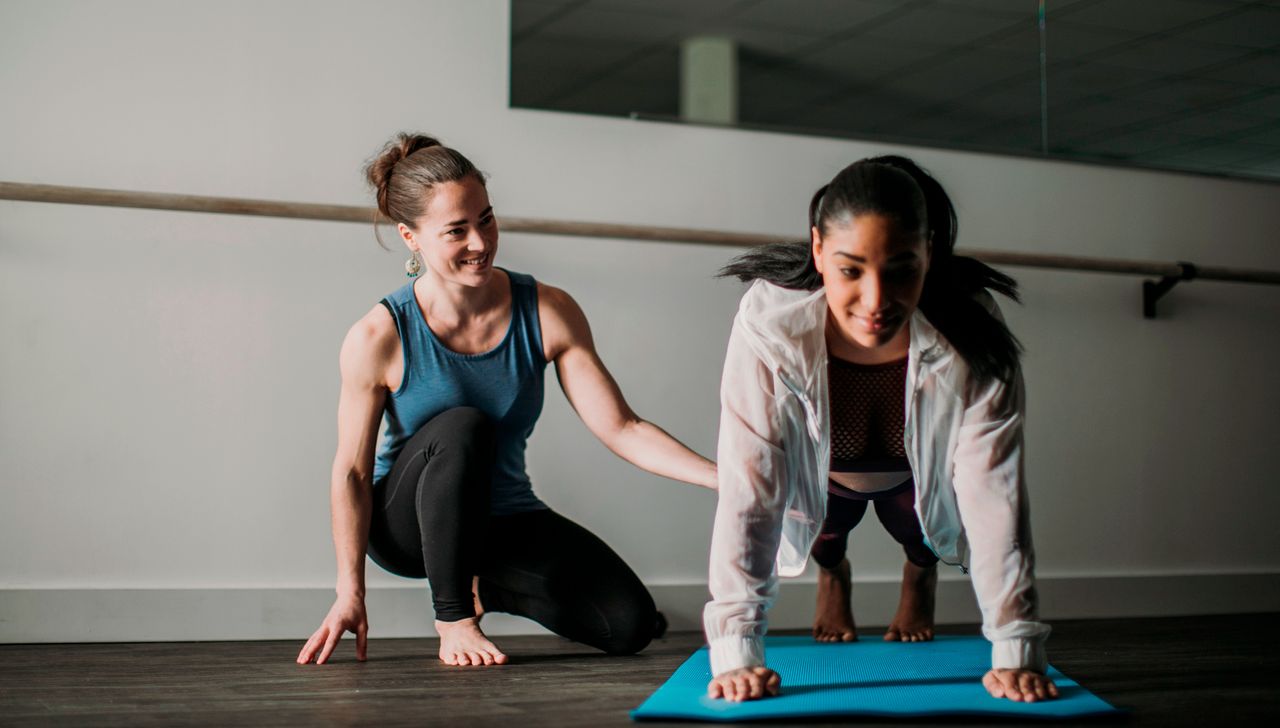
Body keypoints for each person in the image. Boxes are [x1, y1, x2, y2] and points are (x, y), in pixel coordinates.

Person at [297, 133, 716, 668]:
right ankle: (454, 619)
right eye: (456, 230)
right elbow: (352, 473)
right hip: (406, 528)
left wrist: (722, 478)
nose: (480, 241)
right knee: (464, 426)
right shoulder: (380, 334)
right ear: (411, 237)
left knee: (630, 625)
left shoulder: (547, 310)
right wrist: (349, 591)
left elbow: (623, 427)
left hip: (502, 517)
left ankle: (483, 587)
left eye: (486, 219)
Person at [703, 156, 1056, 703]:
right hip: (827, 480)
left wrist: (1016, 645)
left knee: (920, 538)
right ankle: (833, 576)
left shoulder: (974, 331)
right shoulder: (769, 324)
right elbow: (751, 488)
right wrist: (735, 650)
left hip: (912, 477)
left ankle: (920, 577)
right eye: (851, 270)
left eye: (900, 271)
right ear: (818, 249)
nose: (875, 302)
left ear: (929, 256)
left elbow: (994, 494)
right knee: (826, 532)